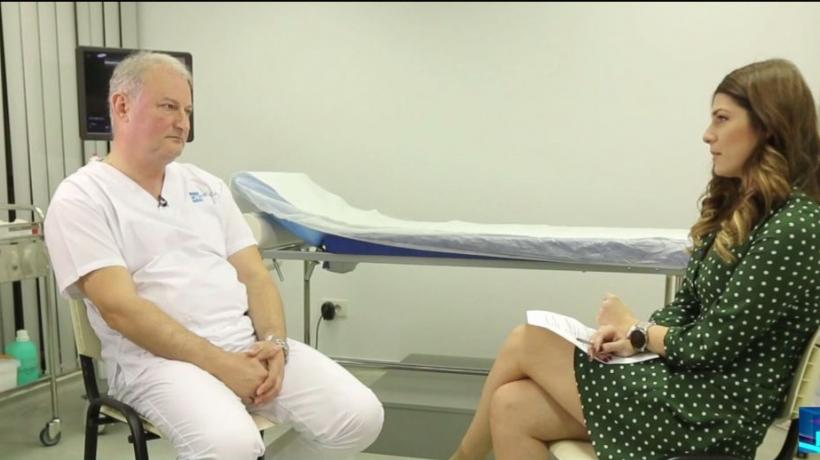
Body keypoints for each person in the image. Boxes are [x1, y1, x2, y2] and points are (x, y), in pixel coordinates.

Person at [450, 58, 820, 460]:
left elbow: (711, 345)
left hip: (716, 413)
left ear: (767, 126)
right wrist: (630, 339)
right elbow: (687, 306)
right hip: (690, 385)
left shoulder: (795, 227)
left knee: (528, 340)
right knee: (511, 405)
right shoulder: (741, 207)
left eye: (722, 118)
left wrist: (640, 330)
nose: (707, 134)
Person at [44, 51, 383, 460]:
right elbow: (121, 310)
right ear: (122, 106)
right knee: (232, 446)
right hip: (154, 363)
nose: (183, 122)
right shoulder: (82, 197)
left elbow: (255, 276)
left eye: (187, 111)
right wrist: (221, 365)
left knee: (360, 416)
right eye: (168, 106)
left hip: (245, 344)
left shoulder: (206, 186)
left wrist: (274, 343)